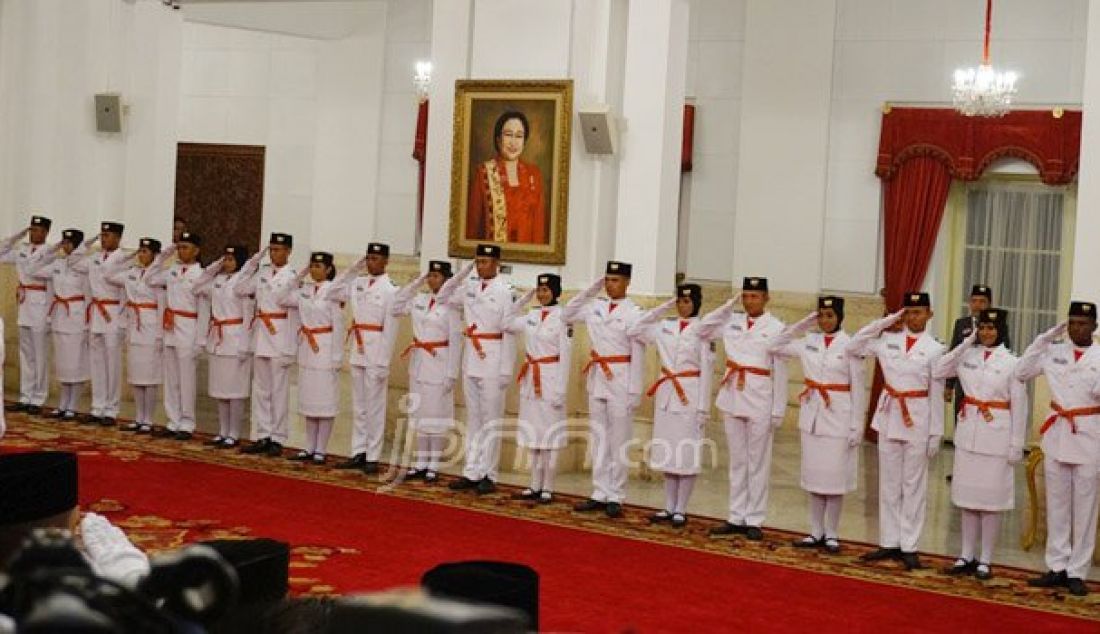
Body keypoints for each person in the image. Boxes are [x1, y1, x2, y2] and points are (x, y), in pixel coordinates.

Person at [849, 292, 945, 571]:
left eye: (919, 312)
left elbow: (937, 392)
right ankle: (888, 541)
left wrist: (936, 432)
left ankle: (909, 545)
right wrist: (887, 321)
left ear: (929, 314)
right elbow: (854, 346)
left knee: (913, 485)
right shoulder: (888, 341)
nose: (914, 317)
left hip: (918, 418)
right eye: (909, 312)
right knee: (889, 482)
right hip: (890, 416)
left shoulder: (936, 348)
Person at [932, 308, 1027, 580]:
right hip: (969, 434)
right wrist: (965, 342)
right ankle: (966, 554)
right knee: (968, 499)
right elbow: (939, 369)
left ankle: (985, 558)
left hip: (996, 435)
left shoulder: (1012, 362)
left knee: (990, 500)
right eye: (982, 328)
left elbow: (1019, 405)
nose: (986, 333)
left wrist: (1016, 444)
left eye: (991, 328)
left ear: (1001, 331)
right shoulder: (967, 356)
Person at [1016, 302, 1100, 597]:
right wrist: (1043, 340)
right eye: (1073, 322)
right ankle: (1057, 566)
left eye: (1083, 323)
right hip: (1058, 436)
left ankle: (1077, 571)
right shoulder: (1054, 352)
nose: (1077, 328)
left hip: (1089, 438)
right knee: (1058, 506)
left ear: (1094, 327)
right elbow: (1021, 371)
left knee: (1085, 509)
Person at [769, 296, 865, 553]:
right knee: (813, 476)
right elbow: (775, 345)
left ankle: (831, 532)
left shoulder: (850, 345)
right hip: (812, 416)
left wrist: (857, 425)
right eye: (821, 315)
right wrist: (805, 322)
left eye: (830, 316)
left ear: (840, 317)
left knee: (833, 478)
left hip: (838, 417)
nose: (825, 321)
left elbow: (858, 387)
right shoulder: (808, 341)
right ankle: (815, 531)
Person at [699, 277, 787, 540]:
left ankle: (755, 519)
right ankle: (736, 515)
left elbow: (781, 370)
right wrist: (728, 305)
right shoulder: (731, 322)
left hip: (760, 398)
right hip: (733, 396)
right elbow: (703, 329)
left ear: (766, 298)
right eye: (745, 296)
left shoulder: (776, 327)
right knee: (737, 460)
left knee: (757, 460)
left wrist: (778, 409)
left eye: (755, 296)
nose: (749, 301)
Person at [630, 284, 718, 527]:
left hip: (689, 394)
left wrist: (703, 408)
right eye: (680, 301)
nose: (682, 305)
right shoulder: (665, 326)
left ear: (697, 303)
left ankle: (681, 507)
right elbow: (635, 329)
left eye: (687, 301)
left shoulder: (702, 331)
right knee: (667, 452)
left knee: (686, 453)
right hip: (667, 394)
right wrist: (664, 306)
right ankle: (668, 505)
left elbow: (708, 370)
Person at [563, 261, 646, 519]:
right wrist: (592, 288)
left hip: (621, 379)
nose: (611, 285)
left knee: (618, 439)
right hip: (598, 377)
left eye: (616, 280)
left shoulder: (635, 312)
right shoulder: (595, 307)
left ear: (627, 283)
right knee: (599, 438)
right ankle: (599, 491)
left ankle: (616, 495)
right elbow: (567, 312)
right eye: (608, 280)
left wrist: (635, 390)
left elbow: (639, 354)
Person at [446, 245, 516, 495]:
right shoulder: (470, 287)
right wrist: (464, 272)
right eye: (478, 261)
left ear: (497, 263)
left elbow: (508, 331)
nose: (481, 266)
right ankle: (471, 470)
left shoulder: (506, 291)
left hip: (493, 357)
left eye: (486, 261)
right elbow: (444, 296)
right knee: (473, 417)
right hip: (472, 358)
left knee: (491, 419)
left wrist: (507, 368)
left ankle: (489, 473)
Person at [393, 260, 469, 483]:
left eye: (437, 276)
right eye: (430, 276)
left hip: (439, 363)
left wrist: (452, 373)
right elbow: (396, 305)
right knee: (421, 414)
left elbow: (456, 340)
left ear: (446, 279)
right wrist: (417, 281)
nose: (432, 280)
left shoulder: (451, 306)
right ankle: (421, 460)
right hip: (419, 363)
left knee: (436, 414)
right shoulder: (419, 300)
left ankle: (434, 462)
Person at [330, 243, 400, 475]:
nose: (371, 262)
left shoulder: (390, 290)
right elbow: (333, 291)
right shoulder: (357, 283)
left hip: (376, 349)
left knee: (374, 406)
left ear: (386, 261)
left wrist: (383, 361)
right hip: (358, 349)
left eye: (375, 258)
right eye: (368, 258)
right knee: (359, 405)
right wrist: (354, 267)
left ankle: (373, 455)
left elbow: (391, 329)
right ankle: (358, 450)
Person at [504, 274, 573, 505]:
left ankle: (548, 486)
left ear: (556, 291)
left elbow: (566, 356)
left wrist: (561, 389)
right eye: (539, 289)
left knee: (550, 436)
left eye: (546, 289)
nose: (542, 294)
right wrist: (525, 298)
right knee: (533, 435)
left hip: (551, 379)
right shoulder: (532, 315)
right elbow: (506, 322)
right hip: (531, 382)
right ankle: (534, 483)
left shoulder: (563, 317)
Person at [237, 234, 299, 458]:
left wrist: (290, 348)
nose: (274, 254)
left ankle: (278, 437)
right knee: (261, 389)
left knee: (278, 390)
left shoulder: (293, 277)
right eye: (272, 249)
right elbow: (239, 288)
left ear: (289, 251)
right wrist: (253, 262)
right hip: (261, 335)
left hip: (280, 335)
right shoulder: (262, 272)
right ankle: (262, 433)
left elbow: (294, 316)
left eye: (279, 250)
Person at [156, 232, 220, 441]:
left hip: (188, 328)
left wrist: (200, 340)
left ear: (196, 250)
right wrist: (166, 253)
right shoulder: (172, 270)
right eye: (180, 247)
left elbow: (204, 309)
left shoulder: (200, 275)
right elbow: (149, 277)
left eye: (186, 247)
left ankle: (187, 422)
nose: (181, 250)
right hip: (170, 327)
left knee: (186, 379)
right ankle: (172, 419)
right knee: (171, 377)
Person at [284, 252, 344, 465]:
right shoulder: (305, 290)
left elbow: (338, 325)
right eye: (312, 265)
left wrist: (337, 356)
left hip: (325, 347)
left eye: (319, 266)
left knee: (324, 400)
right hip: (307, 349)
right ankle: (308, 446)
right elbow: (282, 297)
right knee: (309, 399)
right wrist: (299, 275)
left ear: (328, 269)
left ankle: (321, 448)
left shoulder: (333, 291)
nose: (314, 269)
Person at [28, 230, 94, 422]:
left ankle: (73, 404)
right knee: (63, 362)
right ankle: (63, 402)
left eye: (68, 243)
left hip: (76, 315)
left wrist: (87, 321)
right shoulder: (57, 263)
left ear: (77, 245)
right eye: (63, 242)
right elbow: (32, 268)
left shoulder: (83, 265)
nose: (65, 246)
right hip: (59, 316)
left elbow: (89, 293)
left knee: (76, 362)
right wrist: (52, 250)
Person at [110, 239, 172, 434]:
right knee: (136, 375)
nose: (141, 255)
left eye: (145, 252)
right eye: (140, 251)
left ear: (154, 255)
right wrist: (128, 256)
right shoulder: (131, 273)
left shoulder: (159, 277)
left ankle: (148, 418)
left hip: (151, 328)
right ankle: (139, 416)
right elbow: (108, 273)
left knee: (150, 376)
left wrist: (161, 335)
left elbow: (163, 306)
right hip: (134, 327)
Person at [74, 221, 130, 426]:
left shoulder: (124, 258)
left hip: (113, 312)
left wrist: (123, 320)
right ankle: (97, 406)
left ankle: (111, 409)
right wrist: (90, 241)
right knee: (96, 361)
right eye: (102, 235)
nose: (104, 238)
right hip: (96, 312)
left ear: (117, 238)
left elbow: (126, 290)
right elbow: (73, 260)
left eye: (107, 235)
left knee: (112, 362)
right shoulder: (95, 257)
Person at [465, 111, 548, 245]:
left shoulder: (534, 174)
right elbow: (472, 229)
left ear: (524, 141)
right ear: (498, 139)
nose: (513, 142)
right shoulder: (483, 173)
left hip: (528, 259)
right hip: (494, 258)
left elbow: (539, 228)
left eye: (519, 136)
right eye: (508, 135)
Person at [0, 215, 54, 415]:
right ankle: (25, 395)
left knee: (40, 354)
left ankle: (39, 397)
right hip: (24, 305)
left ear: (46, 232)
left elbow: (51, 285)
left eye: (38, 230)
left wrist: (49, 313)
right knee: (26, 354)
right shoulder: (22, 249)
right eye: (31, 229)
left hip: (40, 304)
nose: (34, 233)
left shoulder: (50, 252)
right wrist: (17, 235)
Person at [206, 245, 254, 449]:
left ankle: (234, 432)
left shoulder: (244, 283)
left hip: (235, 339)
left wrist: (245, 344)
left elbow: (248, 316)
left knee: (235, 390)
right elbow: (197, 286)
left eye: (231, 259)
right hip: (218, 338)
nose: (226, 263)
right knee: (221, 389)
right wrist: (215, 265)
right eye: (224, 259)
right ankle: (223, 430)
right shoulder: (216, 280)